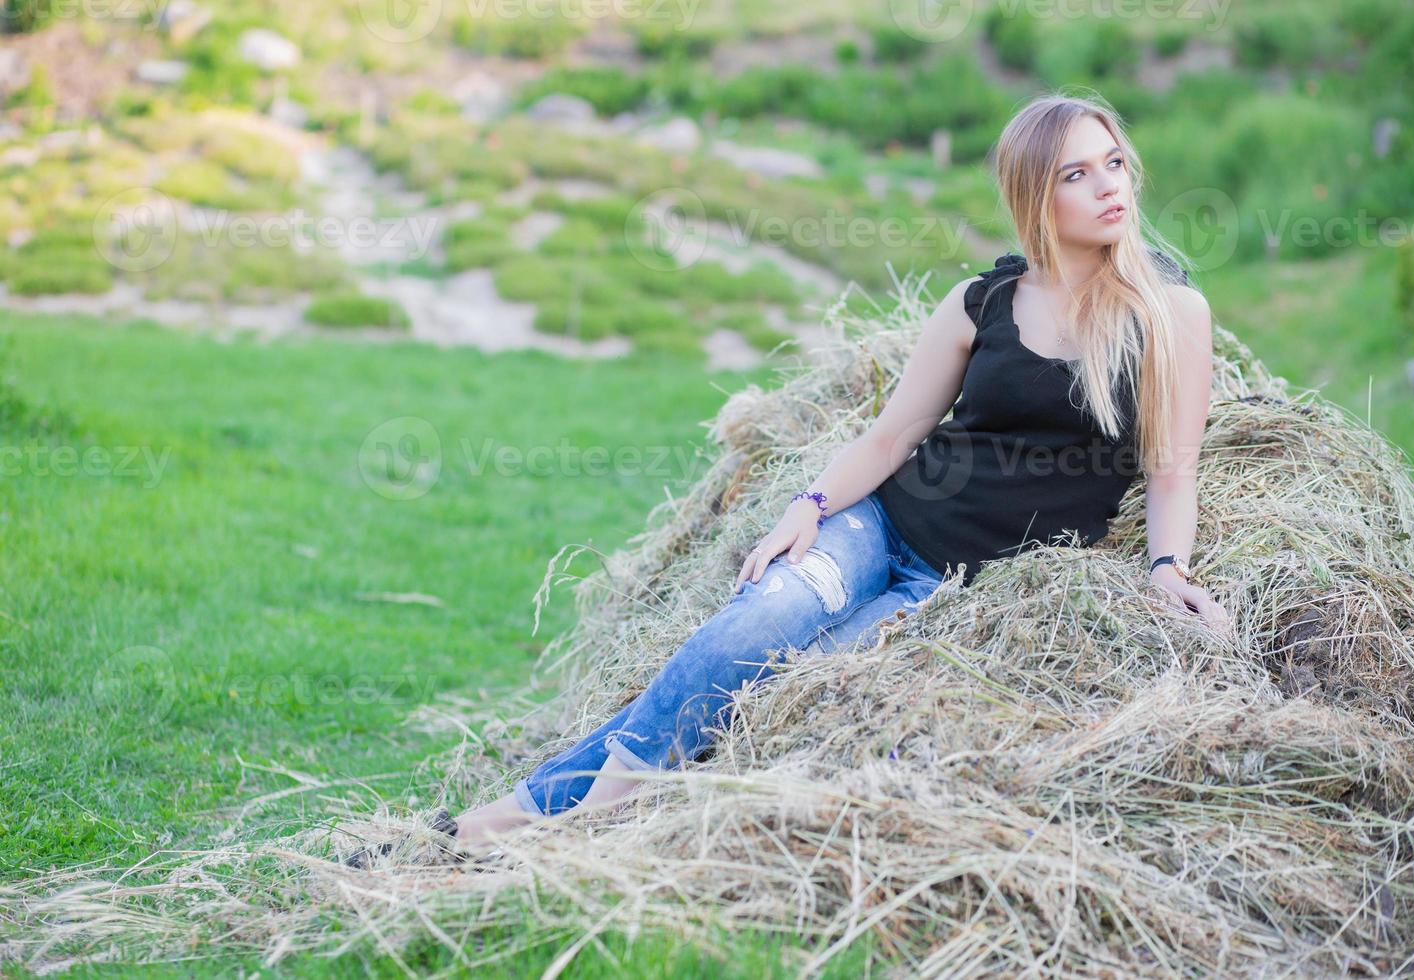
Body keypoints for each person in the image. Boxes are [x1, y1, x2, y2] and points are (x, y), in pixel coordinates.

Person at [344, 92, 1231, 868]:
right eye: (1079, 173)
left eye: (1114, 162)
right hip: (883, 526)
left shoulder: (1169, 314)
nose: (1110, 184)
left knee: (788, 689)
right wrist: (806, 508)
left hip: (964, 589)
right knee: (759, 621)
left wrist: (1166, 573)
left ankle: (499, 823)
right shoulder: (980, 302)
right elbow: (892, 437)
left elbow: (1170, 471)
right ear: (1036, 194)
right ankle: (574, 814)